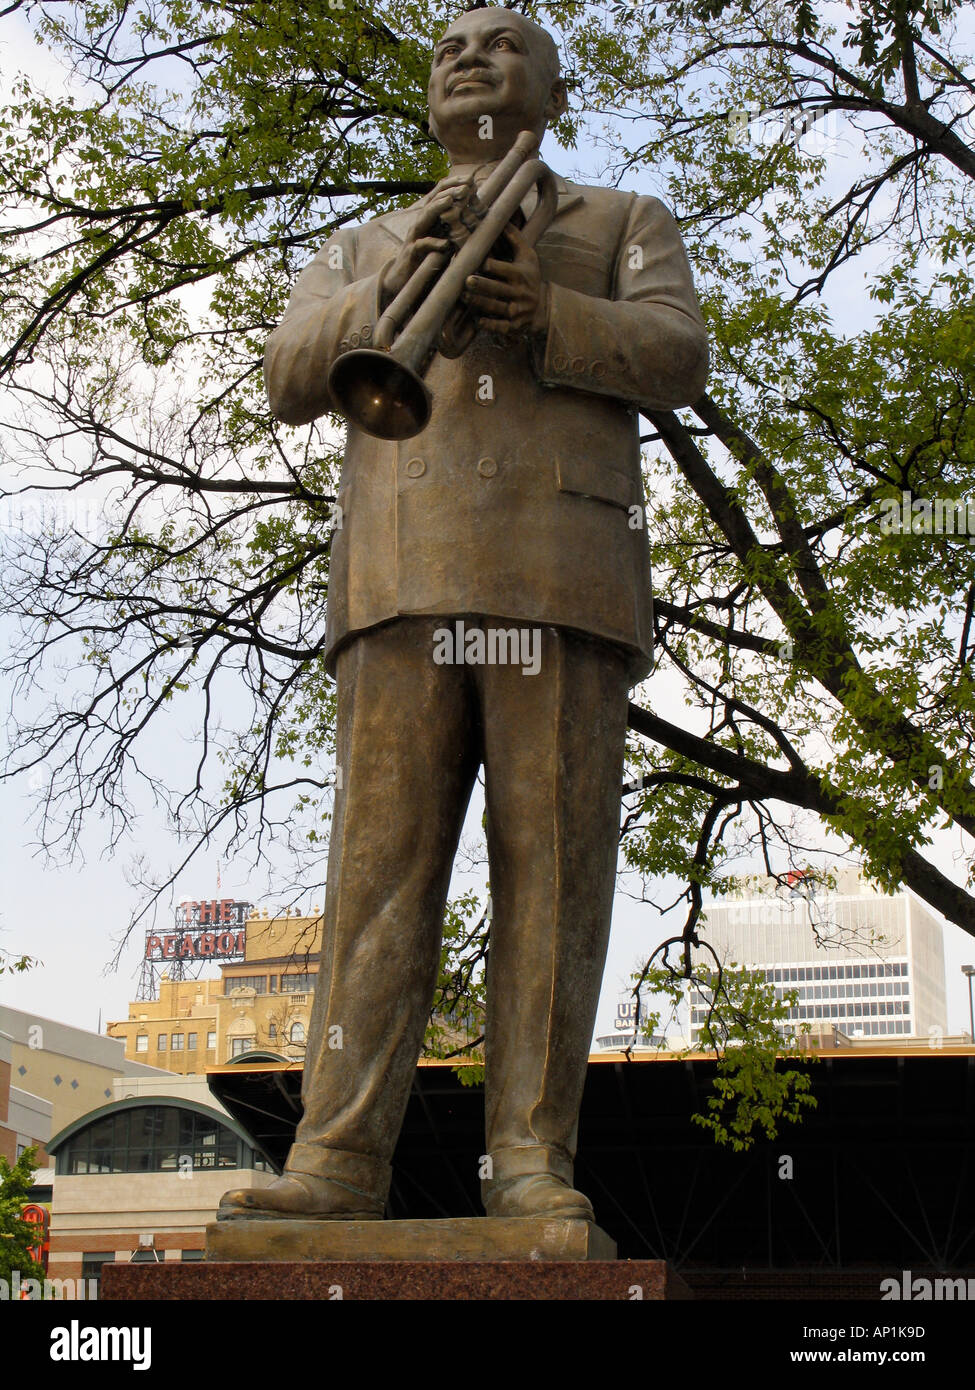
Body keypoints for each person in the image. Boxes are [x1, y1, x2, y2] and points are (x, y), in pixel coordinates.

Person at [219, 6, 707, 1225]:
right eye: (450, 46)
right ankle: (334, 1160)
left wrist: (550, 316)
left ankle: (530, 1162)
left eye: (502, 43)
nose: (469, 56)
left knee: (553, 880)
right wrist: (394, 281)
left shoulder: (621, 220)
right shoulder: (366, 239)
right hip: (401, 576)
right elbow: (288, 371)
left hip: (561, 573)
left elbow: (681, 354)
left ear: (551, 87)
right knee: (376, 877)